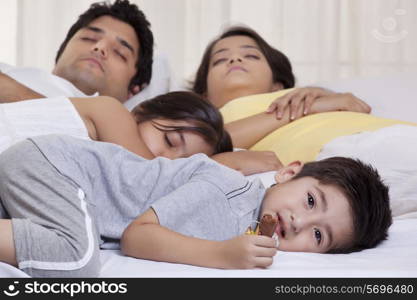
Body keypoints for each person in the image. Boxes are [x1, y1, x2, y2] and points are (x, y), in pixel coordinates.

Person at [0, 134, 390, 276]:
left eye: (319, 235)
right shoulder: (230, 193)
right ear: (288, 173)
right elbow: (138, 237)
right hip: (60, 168)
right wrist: (222, 255)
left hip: (54, 180)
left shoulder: (248, 221)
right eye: (310, 200)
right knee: (76, 262)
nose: (298, 221)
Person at [191, 26, 371, 149]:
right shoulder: (205, 127)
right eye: (220, 60)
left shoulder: (305, 96)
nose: (235, 59)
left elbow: (359, 108)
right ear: (205, 96)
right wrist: (310, 109)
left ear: (277, 85)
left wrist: (328, 96)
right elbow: (206, 145)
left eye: (251, 55)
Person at [0, 91, 232, 160]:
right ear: (141, 111)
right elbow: (149, 177)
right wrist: (228, 166)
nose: (166, 161)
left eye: (183, 163)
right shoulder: (111, 111)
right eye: (170, 141)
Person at [0, 0, 154, 104]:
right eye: (89, 38)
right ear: (61, 51)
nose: (100, 48)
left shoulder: (115, 136)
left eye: (119, 53)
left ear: (134, 90)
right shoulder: (7, 72)